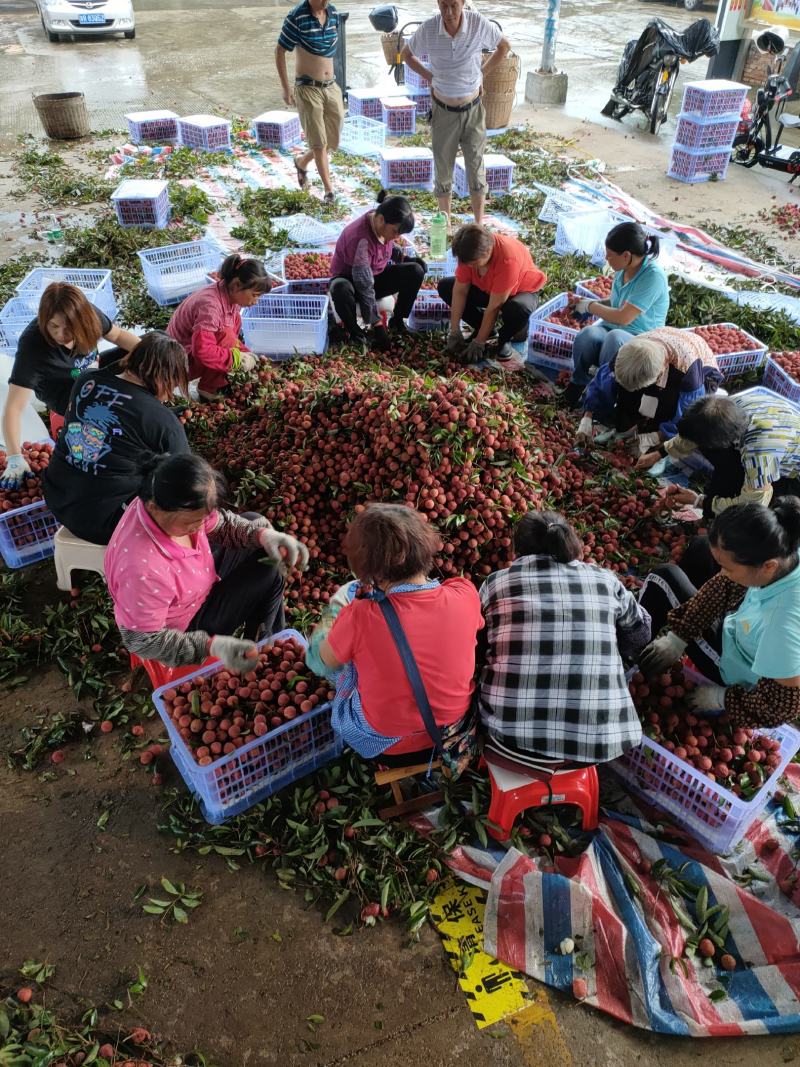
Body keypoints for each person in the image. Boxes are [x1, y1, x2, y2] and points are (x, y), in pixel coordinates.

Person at [307, 503, 484, 770]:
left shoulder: (359, 615)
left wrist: (335, 609)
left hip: (389, 748)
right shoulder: (465, 594)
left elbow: (318, 662)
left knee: (341, 663)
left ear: (366, 569)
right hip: (453, 735)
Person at [105, 454, 309, 671]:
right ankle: (264, 649)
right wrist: (211, 646)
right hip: (184, 627)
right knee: (269, 570)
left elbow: (219, 524)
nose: (200, 526)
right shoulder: (142, 569)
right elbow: (142, 641)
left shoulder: (167, 499)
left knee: (254, 523)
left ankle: (266, 641)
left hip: (195, 582)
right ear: (155, 508)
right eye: (191, 522)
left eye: (203, 518)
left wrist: (262, 535)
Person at [478, 510, 650, 764]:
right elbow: (641, 635)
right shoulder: (605, 580)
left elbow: (478, 649)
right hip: (598, 744)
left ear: (517, 549)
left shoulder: (494, 584)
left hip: (507, 738)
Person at [638, 499, 800, 729]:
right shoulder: (786, 551)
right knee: (700, 548)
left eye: (729, 567)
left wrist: (722, 698)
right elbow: (725, 584)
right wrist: (679, 636)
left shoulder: (782, 625)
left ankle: (631, 658)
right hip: (743, 630)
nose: (723, 573)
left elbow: (781, 707)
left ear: (768, 566)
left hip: (737, 671)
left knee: (663, 578)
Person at [43, 332, 191, 546]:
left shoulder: (86, 380)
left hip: (57, 498)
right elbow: (185, 479)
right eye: (174, 384)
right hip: (106, 522)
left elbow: (110, 375)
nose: (171, 395)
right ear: (165, 378)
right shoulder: (163, 421)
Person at [1, 282, 139, 486]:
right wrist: (14, 457)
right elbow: (14, 407)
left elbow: (118, 336)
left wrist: (152, 354)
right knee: (102, 413)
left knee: (151, 345)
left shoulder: (91, 317)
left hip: (92, 375)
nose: (60, 335)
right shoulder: (33, 346)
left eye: (69, 328)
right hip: (64, 392)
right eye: (53, 326)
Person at [401, 0, 511, 226]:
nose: (449, 12)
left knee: (476, 167)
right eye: (444, 6)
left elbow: (504, 47)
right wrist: (430, 76)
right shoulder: (429, 28)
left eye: (454, 5)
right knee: (443, 171)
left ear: (462, 3)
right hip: (443, 112)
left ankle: (479, 224)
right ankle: (447, 224)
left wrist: (482, 73)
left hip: (473, 110)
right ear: (438, 4)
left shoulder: (478, 23)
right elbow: (406, 54)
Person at [636, 390, 800, 519]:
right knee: (722, 464)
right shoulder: (727, 408)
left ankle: (715, 517)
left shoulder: (759, 454)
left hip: (791, 474)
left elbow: (753, 504)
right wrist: (659, 453)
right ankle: (716, 505)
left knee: (754, 515)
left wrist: (700, 502)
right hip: (774, 432)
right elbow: (696, 432)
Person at [562, 222, 670, 408]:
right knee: (588, 335)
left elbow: (623, 317)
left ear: (626, 255)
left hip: (642, 337)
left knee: (614, 339)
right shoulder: (623, 270)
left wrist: (591, 307)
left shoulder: (653, 277)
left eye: (610, 255)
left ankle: (604, 396)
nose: (606, 258)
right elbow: (615, 302)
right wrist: (583, 305)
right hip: (614, 328)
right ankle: (577, 384)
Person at [576, 325, 721, 452]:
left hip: (703, 375)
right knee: (626, 401)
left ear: (659, 375)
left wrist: (655, 437)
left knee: (667, 406)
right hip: (658, 349)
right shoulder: (626, 354)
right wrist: (587, 418)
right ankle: (634, 425)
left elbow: (688, 414)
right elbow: (603, 384)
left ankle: (657, 440)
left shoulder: (688, 373)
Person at [329, 192, 427, 351]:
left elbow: (387, 247)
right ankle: (356, 333)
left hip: (374, 276)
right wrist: (378, 326)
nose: (396, 236)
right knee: (340, 288)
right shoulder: (359, 239)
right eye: (395, 232)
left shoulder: (380, 224)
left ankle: (397, 321)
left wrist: (406, 259)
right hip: (351, 283)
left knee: (415, 271)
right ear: (381, 219)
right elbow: (364, 286)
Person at [439, 224, 547, 368]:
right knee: (446, 287)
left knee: (518, 309)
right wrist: (454, 330)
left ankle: (504, 338)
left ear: (488, 251)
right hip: (489, 288)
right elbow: (460, 291)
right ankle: (486, 329)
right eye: (467, 264)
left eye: (474, 264)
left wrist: (479, 342)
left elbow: (494, 307)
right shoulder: (468, 252)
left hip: (520, 292)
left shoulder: (507, 260)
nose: (470, 267)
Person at [167, 254, 266, 401]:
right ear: (237, 284)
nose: (256, 301)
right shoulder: (211, 306)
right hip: (175, 363)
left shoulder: (229, 298)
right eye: (255, 295)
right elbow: (202, 349)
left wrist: (248, 354)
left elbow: (233, 338)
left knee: (231, 330)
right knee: (225, 336)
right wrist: (236, 359)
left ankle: (210, 384)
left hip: (189, 353)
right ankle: (210, 387)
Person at [275, 0, 344, 204]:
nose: (325, 1)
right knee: (319, 142)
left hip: (330, 86)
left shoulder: (333, 13)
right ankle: (329, 191)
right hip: (307, 87)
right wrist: (286, 87)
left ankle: (302, 162)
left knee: (333, 138)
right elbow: (279, 51)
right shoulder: (297, 16)